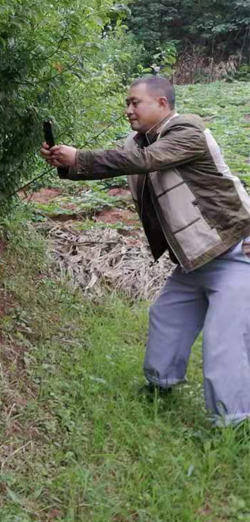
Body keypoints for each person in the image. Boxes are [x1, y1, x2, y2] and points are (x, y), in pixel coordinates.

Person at [41, 76, 250, 425]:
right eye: (127, 103)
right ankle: (161, 387)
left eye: (135, 102)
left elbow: (145, 161)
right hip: (194, 259)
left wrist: (80, 156)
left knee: (224, 339)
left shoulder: (188, 132)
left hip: (233, 254)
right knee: (166, 318)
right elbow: (120, 162)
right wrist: (67, 163)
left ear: (162, 105)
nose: (128, 110)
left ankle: (235, 422)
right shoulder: (138, 142)